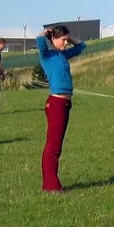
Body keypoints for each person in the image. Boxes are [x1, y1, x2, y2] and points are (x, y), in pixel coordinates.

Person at [36, 25, 86, 193]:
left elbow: (81, 47)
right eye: (62, 40)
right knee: (53, 145)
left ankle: (50, 183)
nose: (66, 43)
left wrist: (69, 36)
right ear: (53, 39)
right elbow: (40, 42)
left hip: (65, 104)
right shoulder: (47, 56)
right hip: (56, 104)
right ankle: (51, 185)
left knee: (57, 145)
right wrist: (46, 33)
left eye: (66, 40)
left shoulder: (62, 55)